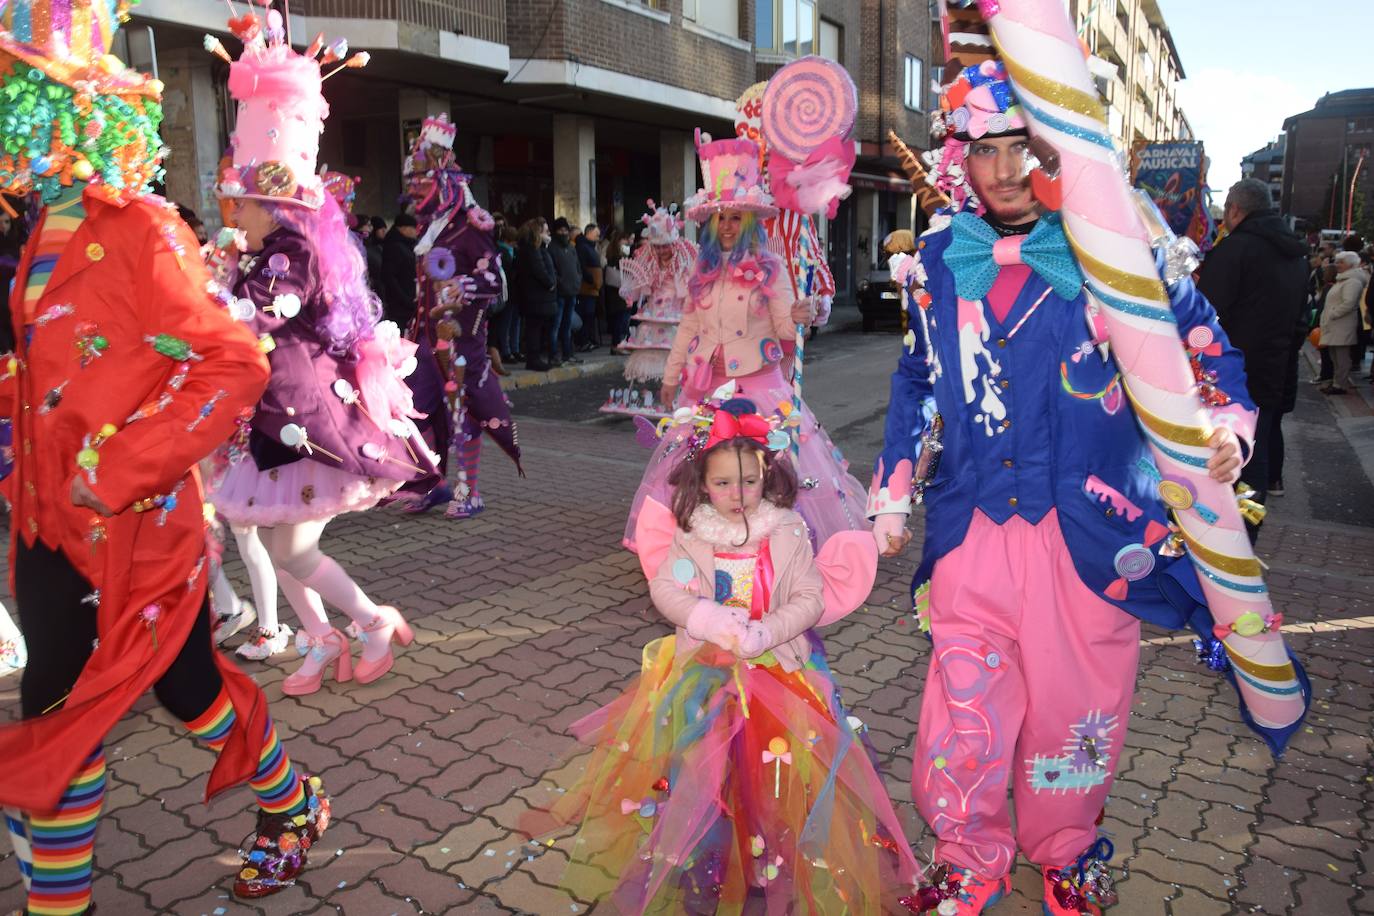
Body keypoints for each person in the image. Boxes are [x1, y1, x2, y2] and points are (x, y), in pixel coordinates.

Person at [870, 60, 1306, 915]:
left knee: (1077, 710)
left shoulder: (1122, 250)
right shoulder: (935, 260)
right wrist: (892, 492)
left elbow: (1208, 354)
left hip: (1093, 538)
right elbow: (919, 383)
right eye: (986, 149)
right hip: (972, 534)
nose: (1004, 169)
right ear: (962, 156)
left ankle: (1065, 849)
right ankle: (966, 854)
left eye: (1022, 146)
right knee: (963, 708)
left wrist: (1223, 433)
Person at [0, 4, 331, 906]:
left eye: (13, 94)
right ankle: (65, 892)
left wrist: (117, 467)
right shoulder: (38, 231)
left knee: (142, 703)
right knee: (111, 703)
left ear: (62, 110)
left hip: (136, 529)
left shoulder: (144, 230)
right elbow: (55, 372)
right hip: (44, 525)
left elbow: (231, 362)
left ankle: (285, 802)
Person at [534, 398, 921, 913]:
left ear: (768, 476)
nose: (737, 495)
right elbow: (666, 590)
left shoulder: (786, 530)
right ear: (701, 482)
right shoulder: (693, 532)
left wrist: (767, 631)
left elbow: (810, 598)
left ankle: (769, 857)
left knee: (776, 772)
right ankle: (709, 857)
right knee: (704, 771)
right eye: (722, 483)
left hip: (778, 673)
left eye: (749, 481)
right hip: (705, 673)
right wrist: (704, 617)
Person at [206, 12, 432, 696]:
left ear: (274, 203)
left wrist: (212, 290)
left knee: (294, 547)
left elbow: (267, 313)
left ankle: (372, 620)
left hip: (307, 416)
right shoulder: (256, 253)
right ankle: (322, 637)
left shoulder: (293, 254)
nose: (232, 211)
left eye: (241, 202)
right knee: (275, 543)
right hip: (270, 417)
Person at [626, 133, 870, 557]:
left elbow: (783, 328)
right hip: (707, 387)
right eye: (721, 218)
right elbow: (688, 327)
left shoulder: (769, 267)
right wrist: (671, 377)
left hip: (759, 386)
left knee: (769, 465)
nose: (727, 226)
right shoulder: (701, 268)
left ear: (750, 221)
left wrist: (799, 318)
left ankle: (769, 544)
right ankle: (699, 543)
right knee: (699, 463)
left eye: (736, 217)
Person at [397, 114, 522, 520]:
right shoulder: (429, 229)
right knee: (416, 412)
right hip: (423, 342)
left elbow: (495, 282)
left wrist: (462, 287)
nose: (415, 189)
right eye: (411, 181)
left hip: (459, 344)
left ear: (445, 180)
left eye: (422, 179)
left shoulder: (470, 226)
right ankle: (431, 483)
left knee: (463, 415)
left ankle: (470, 491)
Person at [1196, 178, 1309, 515]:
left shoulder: (1235, 250)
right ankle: (1249, 524)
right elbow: (1302, 318)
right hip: (1275, 368)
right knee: (1256, 454)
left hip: (1230, 374)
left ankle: (1229, 530)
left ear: (1234, 209)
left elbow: (1204, 316)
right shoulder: (1296, 254)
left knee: (1227, 456)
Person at [599, 203, 696, 417]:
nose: (661, 251)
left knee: (676, 355)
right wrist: (630, 295)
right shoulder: (650, 262)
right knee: (651, 353)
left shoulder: (684, 263)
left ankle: (678, 398)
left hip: (676, 313)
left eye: (665, 246)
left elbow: (690, 291)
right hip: (654, 312)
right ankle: (648, 399)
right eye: (657, 246)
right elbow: (641, 287)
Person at [1319, 251, 1367, 394]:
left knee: (1341, 356)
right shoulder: (1344, 280)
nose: (1338, 265)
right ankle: (1336, 382)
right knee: (1335, 355)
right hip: (1335, 323)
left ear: (1350, 265)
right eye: (1338, 261)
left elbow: (1349, 303)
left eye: (1341, 262)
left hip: (1341, 324)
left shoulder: (1352, 281)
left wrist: (1333, 314)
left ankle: (1340, 384)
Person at [516, 217, 558, 371]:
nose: (548, 234)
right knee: (534, 329)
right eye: (545, 231)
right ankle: (534, 359)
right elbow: (540, 270)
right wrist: (551, 283)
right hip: (536, 297)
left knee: (536, 328)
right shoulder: (532, 249)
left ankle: (535, 358)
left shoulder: (536, 248)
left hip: (538, 297)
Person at [549, 216, 582, 364]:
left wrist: (578, 281)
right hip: (560, 293)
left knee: (568, 326)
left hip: (572, 292)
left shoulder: (571, 248)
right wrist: (560, 283)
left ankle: (568, 354)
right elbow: (552, 271)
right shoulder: (551, 248)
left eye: (565, 230)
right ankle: (554, 354)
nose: (563, 233)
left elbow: (577, 267)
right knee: (556, 325)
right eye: (560, 230)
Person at [380, 211, 419, 329]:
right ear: (403, 229)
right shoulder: (395, 246)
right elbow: (389, 276)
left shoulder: (406, 245)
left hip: (407, 301)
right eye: (414, 228)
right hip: (399, 305)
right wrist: (406, 300)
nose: (416, 232)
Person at [493, 224, 522, 363]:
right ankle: (506, 351)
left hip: (515, 291)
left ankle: (515, 349)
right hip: (507, 292)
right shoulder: (501, 252)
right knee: (506, 323)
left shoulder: (513, 251)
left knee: (515, 321)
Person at [575, 222, 603, 350]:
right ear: (589, 232)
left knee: (590, 315)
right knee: (586, 314)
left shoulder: (591, 247)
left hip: (593, 288)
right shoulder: (582, 247)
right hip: (587, 288)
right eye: (596, 234)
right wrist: (591, 280)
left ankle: (588, 340)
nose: (598, 236)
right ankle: (583, 341)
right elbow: (582, 265)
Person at [602, 226, 629, 352]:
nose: (626, 243)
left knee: (619, 318)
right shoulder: (617, 257)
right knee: (619, 318)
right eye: (624, 240)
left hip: (615, 290)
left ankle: (617, 344)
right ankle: (616, 345)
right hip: (618, 290)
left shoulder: (612, 253)